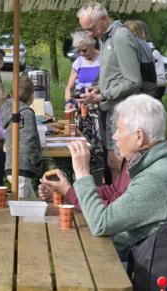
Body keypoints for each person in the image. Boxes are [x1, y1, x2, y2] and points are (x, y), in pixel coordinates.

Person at [41, 94, 167, 260]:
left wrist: (82, 174)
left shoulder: (155, 177)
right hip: (145, 257)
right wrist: (70, 191)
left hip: (159, 273)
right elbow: (114, 192)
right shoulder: (150, 161)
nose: (114, 136)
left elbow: (101, 223)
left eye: (119, 130)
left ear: (139, 137)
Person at [76, 2, 142, 183]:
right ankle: (116, 202)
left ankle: (122, 205)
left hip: (122, 110)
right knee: (112, 161)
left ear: (104, 19)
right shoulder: (106, 38)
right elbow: (113, 74)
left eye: (91, 28)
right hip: (110, 109)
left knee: (118, 161)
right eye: (86, 30)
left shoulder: (120, 37)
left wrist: (103, 95)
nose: (89, 34)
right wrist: (96, 87)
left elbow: (134, 81)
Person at [64, 30, 105, 183]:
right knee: (81, 143)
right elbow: (69, 88)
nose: (81, 53)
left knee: (97, 147)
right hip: (81, 110)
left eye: (84, 50)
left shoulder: (103, 58)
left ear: (92, 44)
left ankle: (98, 179)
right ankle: (80, 177)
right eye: (78, 51)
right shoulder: (79, 62)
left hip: (98, 107)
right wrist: (69, 102)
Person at [2, 75, 42, 198]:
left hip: (11, 166)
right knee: (22, 209)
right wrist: (37, 161)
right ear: (31, 96)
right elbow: (28, 141)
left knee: (31, 205)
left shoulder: (9, 110)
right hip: (22, 168)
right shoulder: (26, 113)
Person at [133, 20, 167, 101]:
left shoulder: (154, 53)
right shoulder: (129, 54)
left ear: (143, 34)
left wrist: (142, 81)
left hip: (151, 99)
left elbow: (162, 80)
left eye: (135, 34)